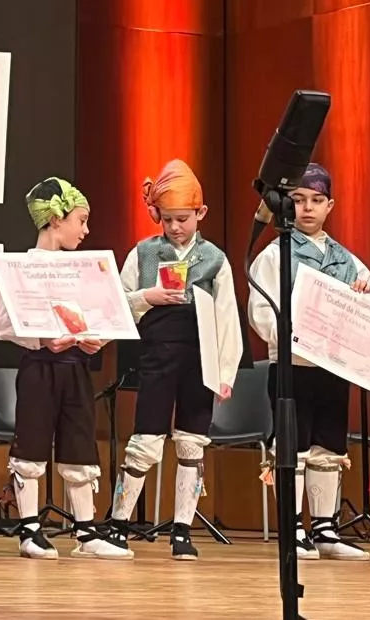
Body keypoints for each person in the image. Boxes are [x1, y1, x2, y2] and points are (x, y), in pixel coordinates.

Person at [105, 159, 242, 561]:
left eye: (183, 218)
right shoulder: (144, 253)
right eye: (168, 219)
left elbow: (227, 317)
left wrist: (226, 370)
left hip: (200, 361)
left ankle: (182, 528)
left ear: (201, 214)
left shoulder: (215, 259)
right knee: (145, 439)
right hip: (158, 357)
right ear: (156, 216)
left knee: (191, 443)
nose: (176, 227)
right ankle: (118, 523)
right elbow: (116, 300)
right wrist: (146, 298)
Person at [246, 163, 370, 561]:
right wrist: (294, 335)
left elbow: (368, 302)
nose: (307, 209)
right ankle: (291, 529)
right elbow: (261, 310)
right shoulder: (274, 253)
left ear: (330, 205)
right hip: (292, 367)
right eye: (299, 200)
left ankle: (324, 528)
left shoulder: (346, 259)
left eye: (317, 201)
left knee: (327, 444)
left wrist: (362, 296)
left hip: (332, 368)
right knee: (293, 446)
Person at [7, 179, 130, 561]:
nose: (86, 229)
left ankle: (86, 532)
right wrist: (40, 341)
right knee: (32, 441)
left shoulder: (84, 270)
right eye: (82, 220)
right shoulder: (22, 267)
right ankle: (29, 530)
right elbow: (2, 322)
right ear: (56, 219)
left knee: (79, 442)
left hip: (75, 366)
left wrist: (98, 339)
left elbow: (102, 314)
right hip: (39, 367)